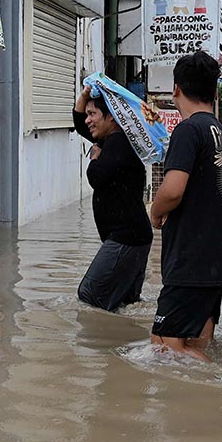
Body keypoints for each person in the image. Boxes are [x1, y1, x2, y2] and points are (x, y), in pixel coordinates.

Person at [149, 51, 222, 362]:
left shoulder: (188, 130)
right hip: (216, 262)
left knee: (164, 344)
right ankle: (208, 407)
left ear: (176, 90)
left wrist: (155, 211)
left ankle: (219, 382)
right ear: (215, 92)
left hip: (189, 260)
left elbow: (173, 190)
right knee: (201, 341)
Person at [73, 86, 152, 312]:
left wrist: (94, 158)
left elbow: (96, 177)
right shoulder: (112, 138)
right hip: (132, 238)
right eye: (87, 114)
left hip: (126, 239)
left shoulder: (118, 143)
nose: (87, 120)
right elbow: (79, 124)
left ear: (111, 117)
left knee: (89, 297)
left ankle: (103, 344)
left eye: (92, 114)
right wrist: (85, 94)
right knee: (124, 306)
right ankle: (123, 345)